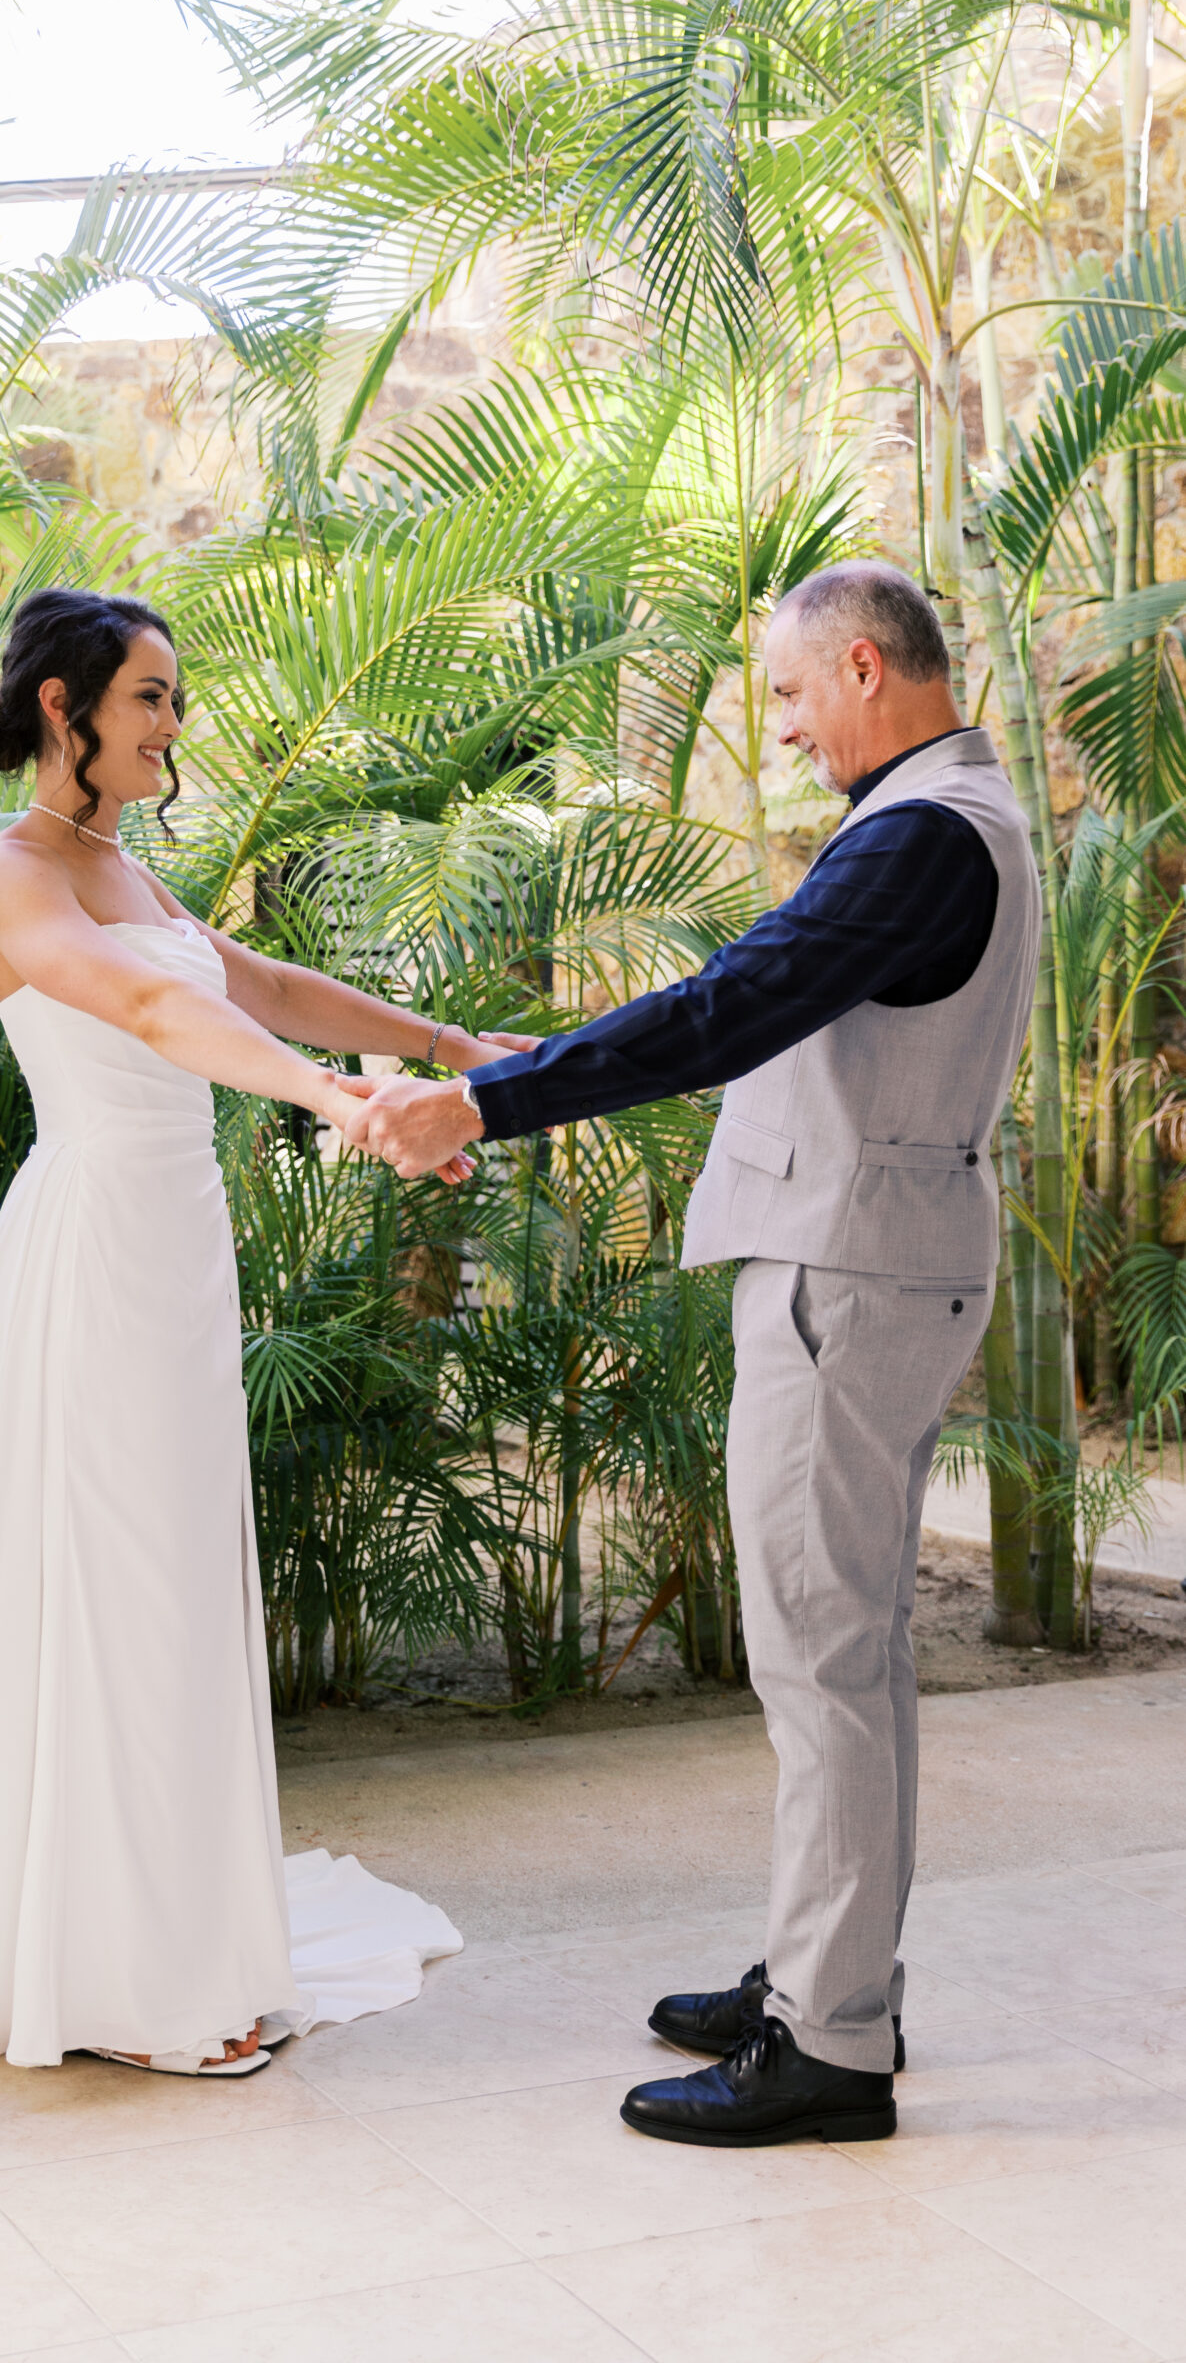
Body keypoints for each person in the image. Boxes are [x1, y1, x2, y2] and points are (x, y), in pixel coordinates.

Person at [0, 587, 528, 2072]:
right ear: (65, 712)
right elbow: (146, 1012)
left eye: (172, 700)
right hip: (91, 1262)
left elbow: (252, 985)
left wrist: (436, 1048)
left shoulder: (130, 869)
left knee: (174, 1581)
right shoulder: (17, 876)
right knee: (111, 1582)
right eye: (151, 700)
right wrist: (336, 1100)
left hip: (178, 1258)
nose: (174, 727)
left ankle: (179, 1931)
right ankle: (124, 1980)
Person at [351, 561, 1042, 2147]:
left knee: (820, 1654)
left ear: (864, 670)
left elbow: (742, 1003)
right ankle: (828, 1976)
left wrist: (486, 1102)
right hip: (869, 1259)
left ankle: (829, 2045)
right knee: (843, 1649)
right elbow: (768, 1009)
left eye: (792, 695)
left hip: (848, 1276)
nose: (787, 729)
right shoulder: (945, 818)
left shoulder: (923, 835)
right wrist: (532, 1067)